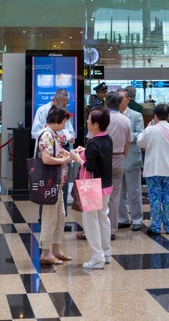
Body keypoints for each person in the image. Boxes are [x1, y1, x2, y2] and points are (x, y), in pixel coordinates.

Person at [35, 106, 81, 266]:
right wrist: (64, 161)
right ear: (57, 120)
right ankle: (46, 253)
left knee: (60, 217)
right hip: (50, 183)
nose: (64, 126)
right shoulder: (47, 134)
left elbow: (58, 153)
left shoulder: (52, 134)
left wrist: (72, 154)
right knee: (49, 218)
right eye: (64, 122)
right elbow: (46, 159)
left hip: (56, 184)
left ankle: (55, 249)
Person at [137, 103, 169, 235]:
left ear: (155, 116)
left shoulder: (150, 130)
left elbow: (140, 143)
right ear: (168, 115)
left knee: (155, 199)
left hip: (153, 170)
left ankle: (156, 226)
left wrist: (146, 128)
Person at [78, 106, 113, 269]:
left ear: (96, 124)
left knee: (90, 221)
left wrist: (76, 158)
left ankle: (97, 257)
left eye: (89, 119)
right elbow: (99, 157)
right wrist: (85, 151)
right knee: (103, 218)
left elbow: (89, 166)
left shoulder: (93, 142)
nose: (87, 121)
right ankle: (106, 253)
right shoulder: (107, 139)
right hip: (106, 185)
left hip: (92, 186)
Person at [103, 91, 132, 241]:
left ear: (106, 103)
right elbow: (128, 143)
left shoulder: (101, 117)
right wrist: (122, 155)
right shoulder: (125, 120)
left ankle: (99, 229)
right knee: (115, 196)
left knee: (100, 195)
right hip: (119, 157)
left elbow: (91, 140)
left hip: (102, 160)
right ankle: (112, 229)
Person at [117, 86, 144, 230]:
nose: (119, 101)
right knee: (119, 192)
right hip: (117, 158)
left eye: (121, 98)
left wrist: (124, 137)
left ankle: (137, 219)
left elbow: (140, 134)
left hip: (132, 157)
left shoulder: (136, 115)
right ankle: (122, 218)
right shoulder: (112, 115)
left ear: (128, 99)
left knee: (134, 191)